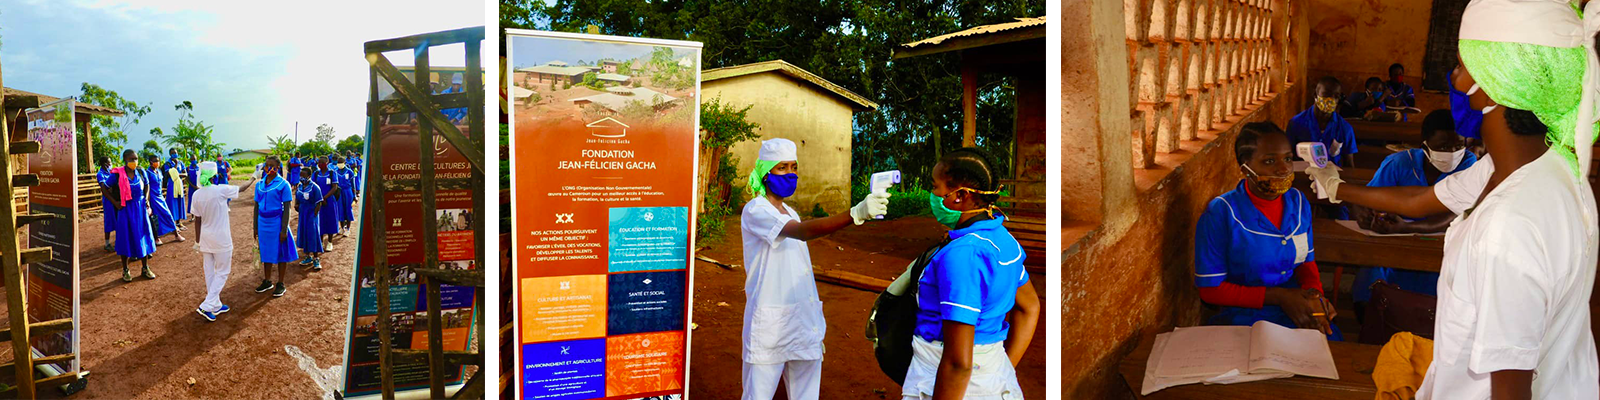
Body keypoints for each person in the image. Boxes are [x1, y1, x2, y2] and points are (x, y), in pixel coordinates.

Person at [1304, 3, 1599, 396]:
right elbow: (1422, 199)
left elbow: (1510, 389)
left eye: (1462, 66)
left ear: (1496, 78)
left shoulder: (1509, 227)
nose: (1456, 80)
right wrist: (1337, 186)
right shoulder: (1540, 163)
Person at [738, 138, 889, 400]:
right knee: (758, 395)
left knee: (806, 394)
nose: (790, 174)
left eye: (794, 167)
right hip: (770, 324)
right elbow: (801, 233)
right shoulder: (755, 210)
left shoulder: (791, 212)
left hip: (802, 321)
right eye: (781, 168)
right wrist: (855, 214)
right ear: (765, 173)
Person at [900, 148, 1038, 400]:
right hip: (990, 375)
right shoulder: (1003, 240)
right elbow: (1029, 307)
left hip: (954, 384)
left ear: (959, 196)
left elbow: (958, 363)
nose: (932, 195)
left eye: (935, 187)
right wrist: (1003, 366)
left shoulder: (965, 254)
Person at [1194, 122, 1340, 339]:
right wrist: (1280, 297)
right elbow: (1210, 289)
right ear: (1246, 169)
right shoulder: (1222, 213)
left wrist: (1315, 296)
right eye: (1269, 161)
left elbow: (1306, 262)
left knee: (1327, 342)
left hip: (1294, 298)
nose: (1283, 169)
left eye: (1288, 158)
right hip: (1244, 311)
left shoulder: (1298, 203)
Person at [1348, 110, 1477, 313]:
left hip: (1443, 249)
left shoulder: (1468, 164)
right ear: (1424, 143)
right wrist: (1363, 213)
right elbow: (1368, 198)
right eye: (1443, 147)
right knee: (1374, 269)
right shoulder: (1399, 163)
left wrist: (1407, 227)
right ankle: (1371, 312)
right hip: (1395, 245)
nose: (1452, 152)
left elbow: (1455, 214)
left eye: (1459, 145)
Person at [189, 161, 239, 321]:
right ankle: (206, 305)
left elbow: (197, 220)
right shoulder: (221, 190)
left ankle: (215, 304)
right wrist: (253, 177)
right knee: (223, 271)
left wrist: (197, 241)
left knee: (210, 272)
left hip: (205, 238)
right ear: (215, 175)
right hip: (221, 238)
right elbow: (241, 189)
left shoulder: (197, 194)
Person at [1288, 76, 1358, 167]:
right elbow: (1289, 157)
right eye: (1326, 94)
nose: (1331, 99)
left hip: (1332, 178)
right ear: (1315, 95)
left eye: (1336, 96)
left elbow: (1349, 164)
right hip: (1305, 174)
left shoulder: (1345, 128)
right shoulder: (1296, 123)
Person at [109, 149, 157, 282]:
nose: (134, 162)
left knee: (144, 236)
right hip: (126, 210)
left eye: (135, 159)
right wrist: (115, 202)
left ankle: (145, 268)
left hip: (140, 209)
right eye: (131, 159)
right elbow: (104, 186)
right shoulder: (118, 174)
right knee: (125, 238)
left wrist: (146, 199)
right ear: (125, 160)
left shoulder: (141, 172)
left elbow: (146, 186)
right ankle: (125, 270)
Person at [252, 156, 295, 298]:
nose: (269, 168)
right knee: (265, 252)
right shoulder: (259, 185)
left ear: (278, 168)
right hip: (263, 223)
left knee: (280, 252)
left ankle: (281, 283)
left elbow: (287, 208)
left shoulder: (284, 184)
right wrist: (255, 227)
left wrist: (284, 229)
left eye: (273, 165)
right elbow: (256, 207)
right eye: (267, 165)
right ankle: (267, 280)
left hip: (277, 222)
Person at [143, 154, 185, 245]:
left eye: (158, 160)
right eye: (155, 161)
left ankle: (176, 234)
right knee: (155, 218)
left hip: (160, 197)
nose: (157, 162)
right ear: (150, 162)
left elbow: (161, 184)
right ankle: (156, 237)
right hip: (153, 198)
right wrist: (148, 201)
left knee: (168, 215)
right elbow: (147, 187)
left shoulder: (159, 171)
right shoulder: (148, 173)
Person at [294, 165, 325, 271]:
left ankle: (316, 258)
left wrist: (314, 215)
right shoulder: (300, 186)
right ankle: (308, 256)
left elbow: (319, 202)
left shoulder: (315, 187)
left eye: (303, 175)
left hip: (311, 214)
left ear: (309, 176)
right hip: (303, 213)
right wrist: (296, 204)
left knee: (313, 234)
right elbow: (297, 198)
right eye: (300, 175)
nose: (301, 177)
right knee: (304, 233)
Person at [310, 156, 342, 250]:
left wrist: (325, 197)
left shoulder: (332, 173)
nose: (320, 164)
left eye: (322, 162)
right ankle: (320, 241)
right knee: (320, 220)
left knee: (330, 220)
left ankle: (329, 242)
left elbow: (334, 187)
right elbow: (313, 186)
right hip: (318, 201)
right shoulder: (316, 173)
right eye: (319, 162)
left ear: (327, 162)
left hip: (329, 201)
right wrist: (319, 198)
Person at [95, 156, 118, 252]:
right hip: (108, 200)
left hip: (115, 198)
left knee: (118, 219)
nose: (110, 164)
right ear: (104, 164)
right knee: (109, 220)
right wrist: (110, 187)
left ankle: (119, 241)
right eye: (109, 163)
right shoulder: (100, 174)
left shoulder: (111, 172)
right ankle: (107, 243)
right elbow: (105, 188)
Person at [333, 155, 357, 235]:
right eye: (338, 163)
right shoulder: (335, 171)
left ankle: (348, 229)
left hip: (347, 191)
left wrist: (355, 196)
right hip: (339, 192)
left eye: (341, 163)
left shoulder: (349, 171)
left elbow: (353, 185)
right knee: (340, 209)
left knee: (348, 209)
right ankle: (342, 228)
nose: (339, 164)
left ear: (344, 163)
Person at [164, 148, 187, 224]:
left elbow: (185, 174)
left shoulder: (181, 162)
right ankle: (173, 224)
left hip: (179, 184)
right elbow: (171, 174)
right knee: (172, 202)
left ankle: (179, 222)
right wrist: (176, 164)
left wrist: (177, 174)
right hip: (172, 184)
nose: (175, 154)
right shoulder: (167, 164)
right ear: (170, 154)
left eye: (176, 152)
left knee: (179, 202)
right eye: (173, 153)